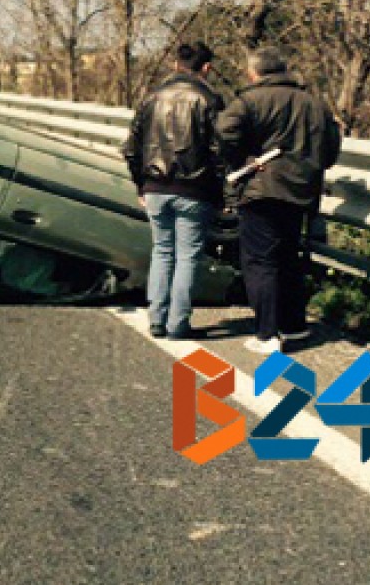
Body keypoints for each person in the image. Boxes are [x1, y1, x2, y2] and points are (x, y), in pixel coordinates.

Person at [218, 47, 342, 354]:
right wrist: (311, 167)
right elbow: (331, 147)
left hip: (262, 190)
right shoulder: (315, 104)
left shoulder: (249, 100)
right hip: (301, 191)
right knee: (289, 257)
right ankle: (294, 326)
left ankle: (267, 333)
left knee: (260, 261)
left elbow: (222, 133)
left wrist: (245, 160)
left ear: (254, 72)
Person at [122, 42, 226, 340]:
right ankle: (178, 324)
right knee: (188, 256)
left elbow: (131, 148)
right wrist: (221, 195)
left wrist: (141, 185)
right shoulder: (209, 99)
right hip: (194, 189)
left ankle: (156, 317)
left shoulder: (151, 97)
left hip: (155, 186)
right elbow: (219, 152)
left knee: (162, 251)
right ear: (205, 68)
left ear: (174, 64)